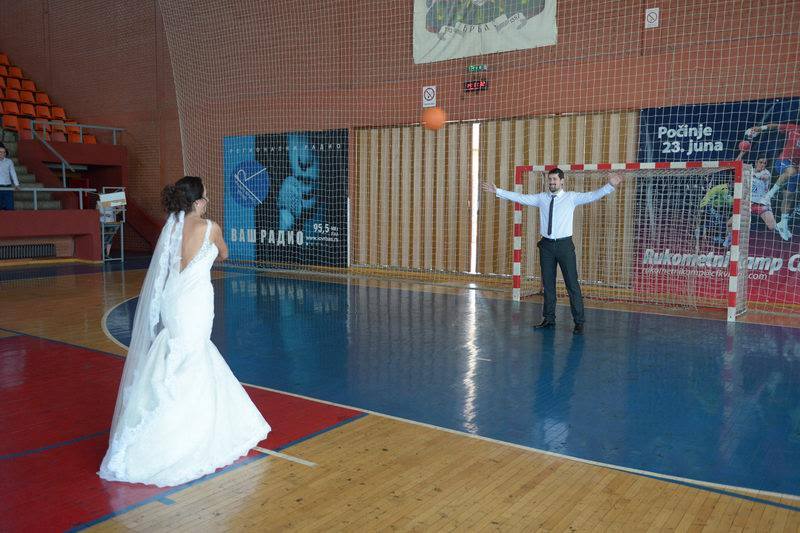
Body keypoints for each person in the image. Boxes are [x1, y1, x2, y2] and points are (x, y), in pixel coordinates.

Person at [99, 176, 270, 487]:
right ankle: (181, 430)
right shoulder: (210, 227)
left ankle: (168, 415)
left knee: (178, 350)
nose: (208, 200)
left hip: (173, 299)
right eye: (205, 195)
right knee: (193, 355)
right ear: (198, 201)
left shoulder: (172, 227)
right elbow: (225, 254)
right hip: (195, 300)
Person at [482, 168, 623, 334]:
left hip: (565, 246)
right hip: (546, 247)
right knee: (548, 285)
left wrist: (609, 186)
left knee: (572, 284)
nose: (552, 182)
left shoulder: (571, 197)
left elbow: (592, 195)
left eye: (555, 179)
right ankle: (549, 319)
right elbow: (521, 198)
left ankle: (579, 322)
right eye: (550, 180)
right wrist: (498, 191)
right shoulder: (541, 198)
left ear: (562, 181)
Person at [744, 123, 800, 239]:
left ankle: (783, 223)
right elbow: (775, 126)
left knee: (789, 196)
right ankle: (768, 196)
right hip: (783, 161)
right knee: (791, 171)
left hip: (796, 168)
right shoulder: (793, 128)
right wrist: (761, 128)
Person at [722, 157, 786, 245]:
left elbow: (762, 177)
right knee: (729, 224)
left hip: (761, 204)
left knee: (772, 227)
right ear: (756, 162)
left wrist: (747, 172)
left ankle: (784, 229)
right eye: (761, 162)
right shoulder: (749, 171)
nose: (762, 165)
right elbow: (735, 165)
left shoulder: (766, 173)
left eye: (764, 163)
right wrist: (742, 154)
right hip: (748, 204)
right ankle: (730, 237)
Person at [0, 144, 19, 210]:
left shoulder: (9, 161)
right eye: (0, 152)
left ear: (5, 153)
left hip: (8, 187)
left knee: (10, 207)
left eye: (4, 152)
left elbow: (13, 173)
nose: (2, 153)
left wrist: (16, 184)